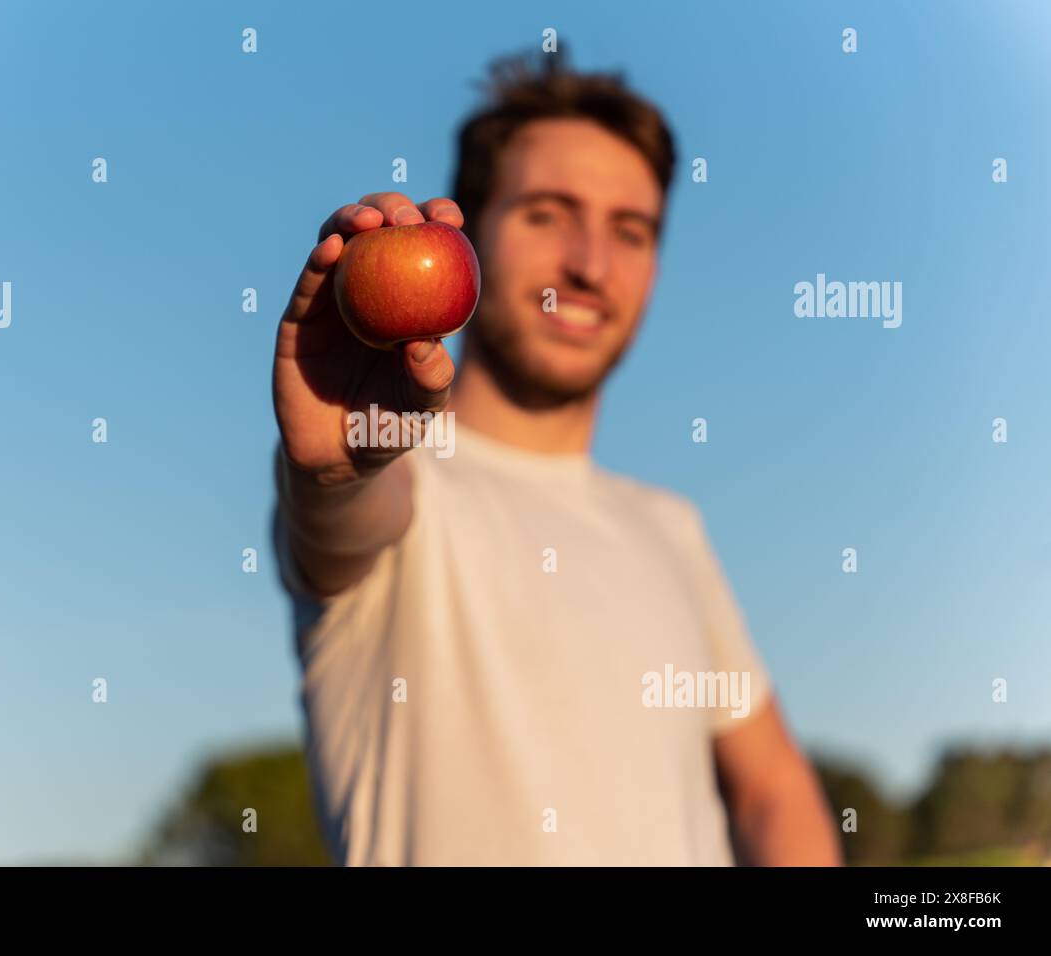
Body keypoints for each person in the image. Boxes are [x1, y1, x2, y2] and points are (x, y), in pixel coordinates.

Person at [270, 47, 841, 866]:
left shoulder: (670, 527)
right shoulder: (397, 475)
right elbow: (340, 511)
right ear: (469, 236)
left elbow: (772, 789)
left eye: (630, 231)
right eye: (546, 214)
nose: (589, 265)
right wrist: (337, 465)